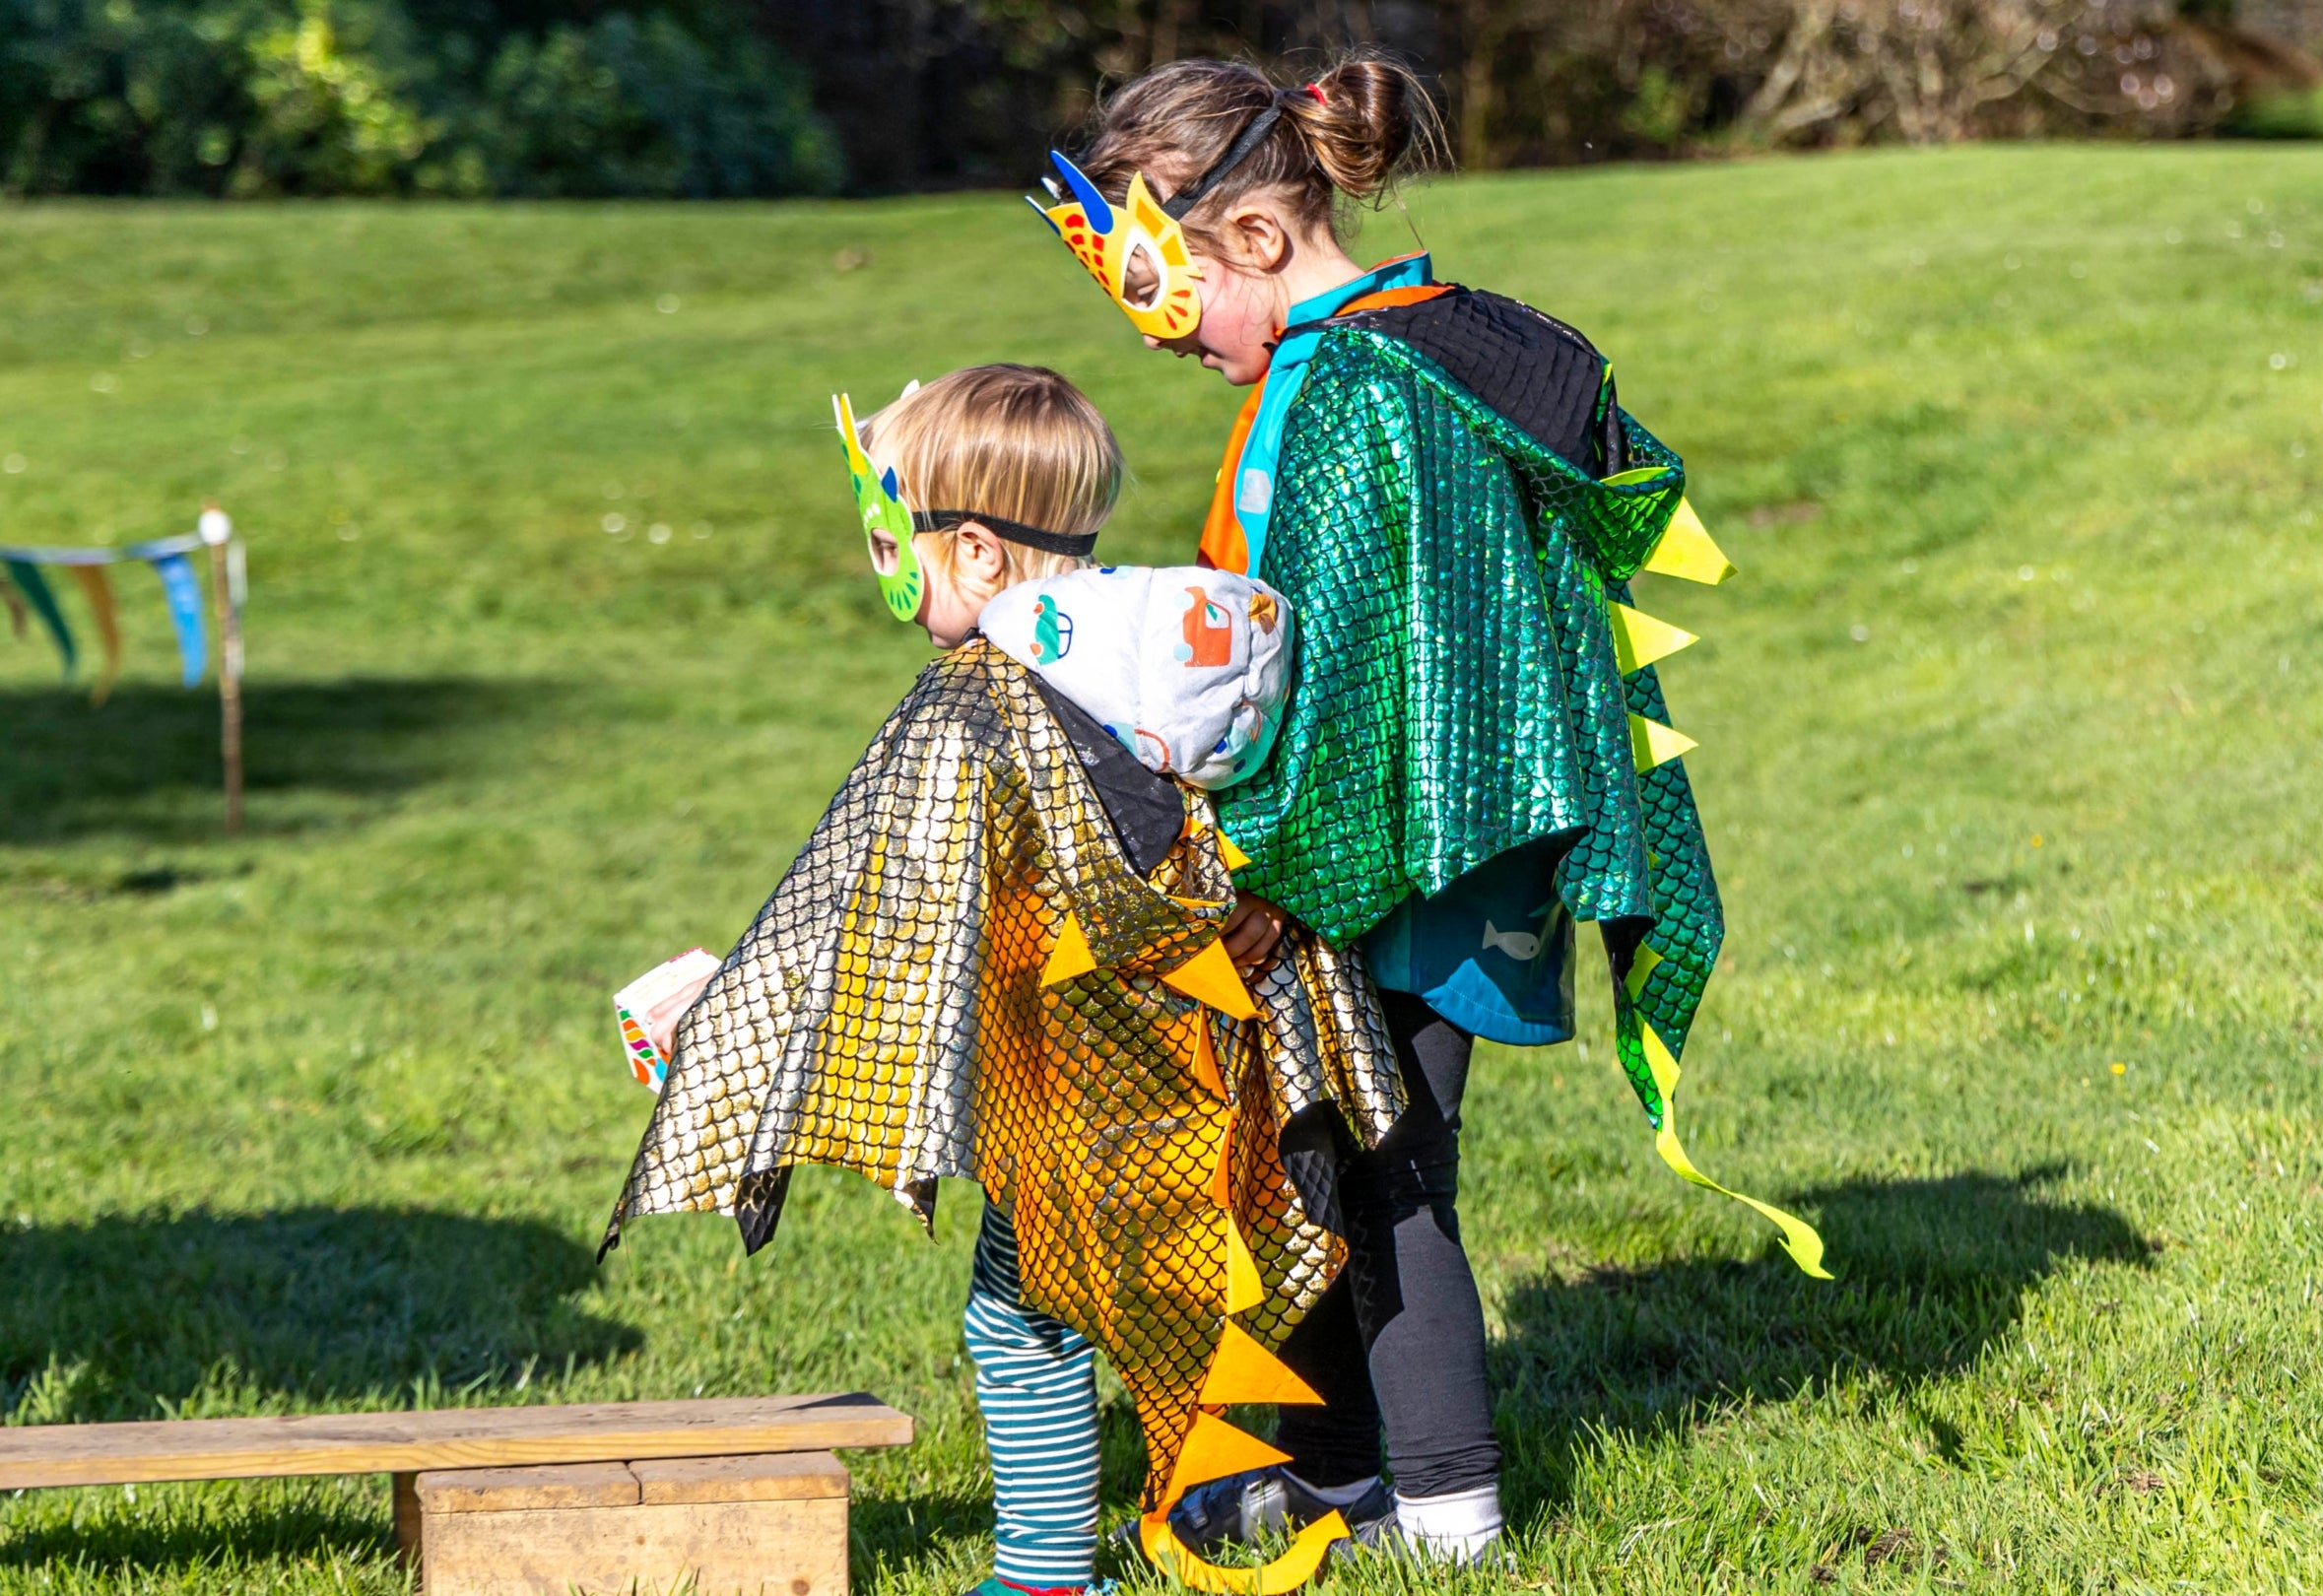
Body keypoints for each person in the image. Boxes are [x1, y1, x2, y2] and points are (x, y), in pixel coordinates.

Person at [1029, 54, 1827, 1573]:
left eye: (1164, 293)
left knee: (1384, 1165)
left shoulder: (1356, 390)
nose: (1162, 337)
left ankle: (1452, 1518)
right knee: (1322, 1151)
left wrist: (1258, 861)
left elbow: (1345, 685)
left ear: (1255, 237)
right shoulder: (1389, 355)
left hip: (1400, 851)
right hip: (1414, 837)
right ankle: (1336, 1482)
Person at [601, 364, 1408, 1596]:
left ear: (975, 552)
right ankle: (1262, 1488)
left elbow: (885, 903)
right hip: (1191, 1079)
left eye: (892, 543)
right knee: (1135, 1297)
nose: (880, 569)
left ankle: (1043, 1571)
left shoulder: (975, 704)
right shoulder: (1168, 676)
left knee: (1019, 1317)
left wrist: (735, 1022)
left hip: (1083, 1098)